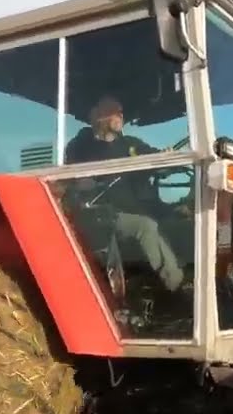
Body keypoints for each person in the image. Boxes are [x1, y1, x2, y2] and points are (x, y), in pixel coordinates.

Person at [61, 96, 186, 294]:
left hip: (138, 209)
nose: (120, 115)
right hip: (103, 215)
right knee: (145, 226)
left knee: (183, 220)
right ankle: (177, 287)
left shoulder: (130, 145)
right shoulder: (80, 147)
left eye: (121, 112)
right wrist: (85, 183)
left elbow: (156, 161)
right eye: (113, 111)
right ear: (97, 116)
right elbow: (74, 180)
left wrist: (167, 159)